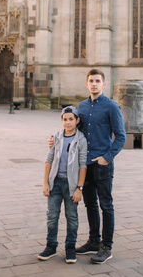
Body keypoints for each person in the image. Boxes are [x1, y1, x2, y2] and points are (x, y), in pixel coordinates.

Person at [48, 69, 126, 264]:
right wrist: (55, 140)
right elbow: (73, 130)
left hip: (102, 164)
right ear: (86, 84)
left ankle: (106, 247)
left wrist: (107, 157)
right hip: (85, 165)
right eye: (91, 81)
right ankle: (93, 241)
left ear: (103, 84)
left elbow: (121, 136)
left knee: (106, 205)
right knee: (90, 204)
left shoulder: (111, 107)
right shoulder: (81, 106)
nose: (94, 84)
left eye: (98, 81)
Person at [38, 106, 87, 264]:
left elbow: (82, 165)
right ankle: (51, 246)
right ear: (61, 120)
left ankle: (70, 247)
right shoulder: (57, 137)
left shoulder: (81, 140)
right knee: (52, 216)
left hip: (71, 185)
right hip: (56, 183)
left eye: (71, 119)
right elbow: (49, 160)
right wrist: (45, 183)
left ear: (77, 120)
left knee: (72, 217)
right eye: (65, 119)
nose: (68, 122)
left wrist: (79, 188)